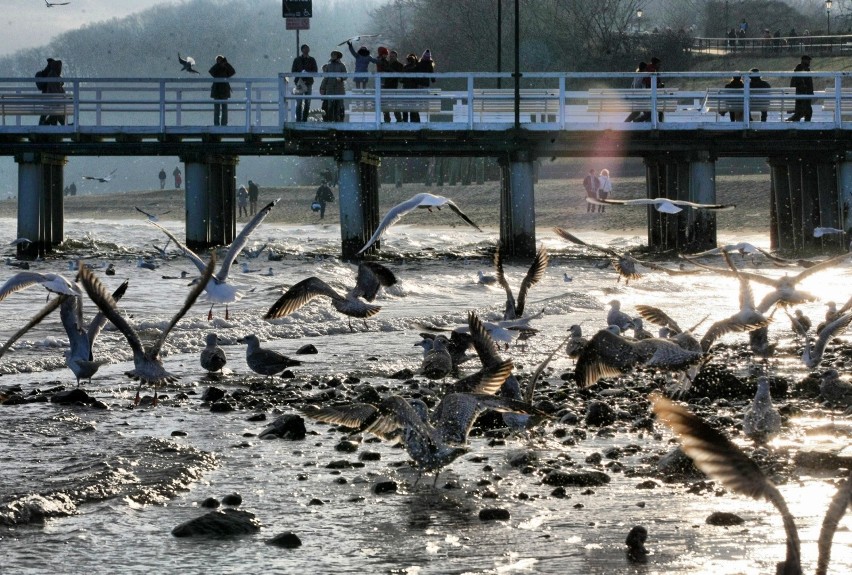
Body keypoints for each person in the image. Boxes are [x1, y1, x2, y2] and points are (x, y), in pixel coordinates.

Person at [377, 47, 404, 123]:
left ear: (396, 57)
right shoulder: (386, 63)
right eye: (390, 56)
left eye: (393, 56)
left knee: (395, 104)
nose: (391, 57)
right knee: (385, 105)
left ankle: (399, 119)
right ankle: (387, 120)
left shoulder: (399, 65)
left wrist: (390, 70)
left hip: (393, 87)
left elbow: (399, 77)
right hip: (385, 86)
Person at [291, 44, 318, 122]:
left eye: (307, 48)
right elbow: (293, 71)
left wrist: (307, 73)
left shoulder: (312, 60)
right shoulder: (297, 60)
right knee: (299, 102)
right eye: (305, 48)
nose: (306, 50)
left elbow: (315, 71)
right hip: (299, 82)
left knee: (307, 102)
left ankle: (304, 120)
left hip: (308, 82)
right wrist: (301, 73)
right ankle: (299, 120)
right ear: (302, 50)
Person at [320, 51, 347, 122]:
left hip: (339, 88)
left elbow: (345, 76)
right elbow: (325, 78)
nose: (333, 56)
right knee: (330, 105)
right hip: (330, 88)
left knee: (340, 104)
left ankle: (340, 120)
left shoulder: (341, 65)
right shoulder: (329, 66)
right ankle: (330, 119)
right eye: (332, 55)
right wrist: (322, 88)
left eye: (334, 55)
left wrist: (341, 78)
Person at [209, 55, 235, 126]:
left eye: (221, 60)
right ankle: (216, 124)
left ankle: (224, 123)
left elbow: (233, 71)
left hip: (224, 90)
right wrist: (218, 65)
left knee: (224, 109)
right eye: (218, 60)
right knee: (217, 109)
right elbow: (211, 71)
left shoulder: (226, 68)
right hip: (217, 90)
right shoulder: (216, 68)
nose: (220, 61)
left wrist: (226, 63)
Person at [37, 58, 65, 126]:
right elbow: (41, 86)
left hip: (50, 99)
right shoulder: (51, 75)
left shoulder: (53, 75)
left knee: (54, 110)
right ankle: (63, 124)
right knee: (56, 110)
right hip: (51, 99)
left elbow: (60, 84)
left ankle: (43, 124)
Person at [787, 55, 813, 122]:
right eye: (808, 60)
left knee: (807, 111)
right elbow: (800, 85)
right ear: (804, 61)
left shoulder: (802, 70)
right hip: (800, 97)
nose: (809, 62)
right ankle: (801, 123)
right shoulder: (800, 71)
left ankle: (794, 120)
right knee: (806, 111)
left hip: (802, 97)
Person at [401, 53, 420, 122]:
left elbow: (401, 80)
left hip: (406, 89)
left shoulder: (405, 68)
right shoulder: (417, 68)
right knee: (413, 106)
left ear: (408, 61)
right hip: (414, 90)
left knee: (405, 107)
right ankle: (414, 121)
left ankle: (405, 120)